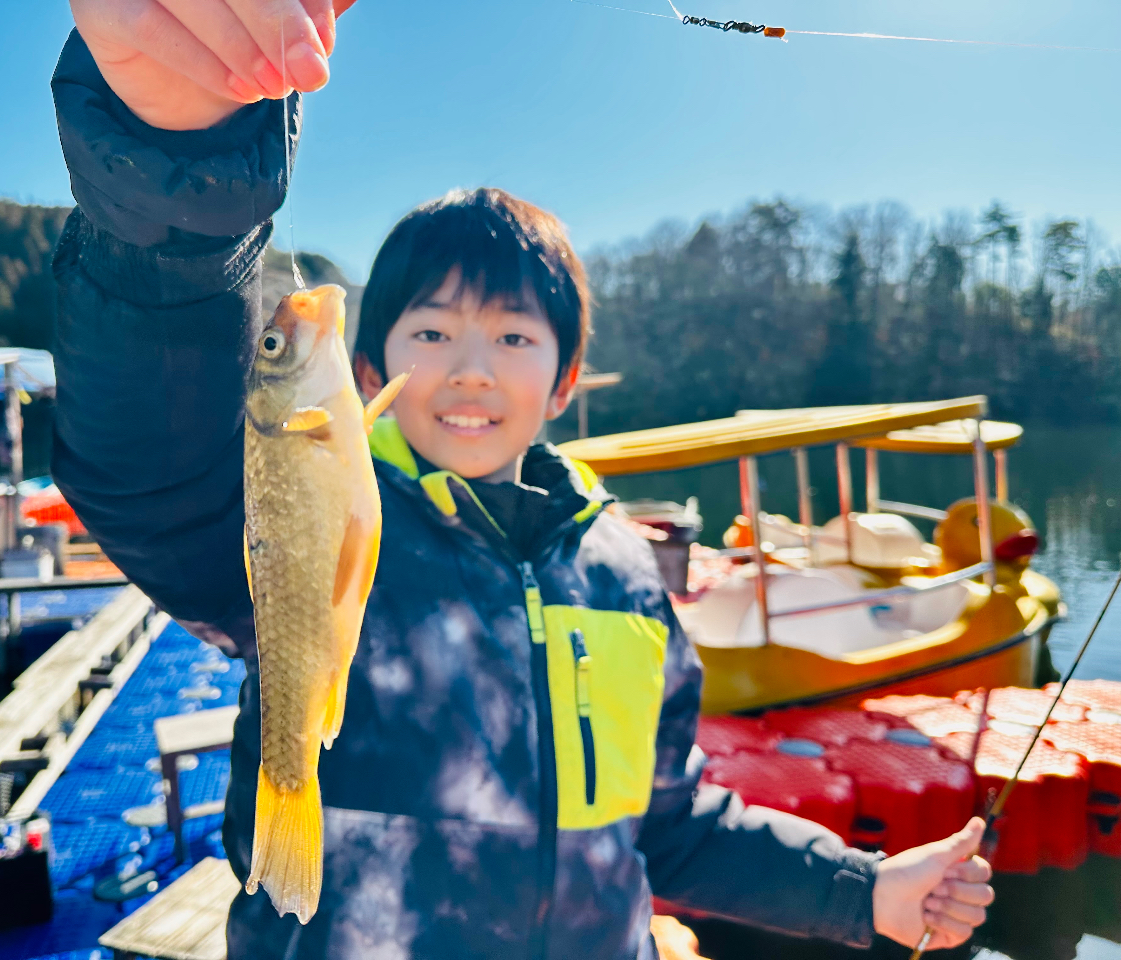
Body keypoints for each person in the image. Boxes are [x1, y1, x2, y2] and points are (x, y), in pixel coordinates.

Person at [49, 4, 994, 957]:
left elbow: (667, 825)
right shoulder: (304, 504)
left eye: (512, 336)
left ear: (564, 379)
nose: (471, 369)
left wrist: (862, 892)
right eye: (432, 330)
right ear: (365, 374)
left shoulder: (629, 579)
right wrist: (168, 157)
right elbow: (142, 471)